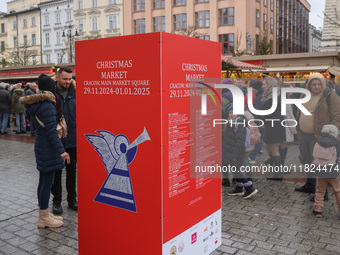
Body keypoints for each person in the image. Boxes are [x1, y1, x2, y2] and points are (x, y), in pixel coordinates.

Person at [20, 74, 70, 228]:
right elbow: (51, 132)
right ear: (51, 88)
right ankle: (43, 218)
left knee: (43, 181)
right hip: (48, 148)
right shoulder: (47, 105)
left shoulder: (37, 103)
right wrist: (62, 151)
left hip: (42, 146)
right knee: (46, 183)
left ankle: (45, 212)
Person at [295, 73, 340, 199]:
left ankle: (322, 193)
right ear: (309, 85)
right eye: (314, 84)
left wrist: (330, 136)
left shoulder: (331, 96)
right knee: (307, 161)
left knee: (321, 164)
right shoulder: (305, 95)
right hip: (304, 134)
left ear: (323, 84)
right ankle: (310, 185)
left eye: (319, 84)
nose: (316, 87)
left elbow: (337, 117)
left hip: (320, 137)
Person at [52, 66, 78, 214]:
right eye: (65, 79)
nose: (68, 82)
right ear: (57, 78)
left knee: (71, 170)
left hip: (73, 139)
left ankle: (72, 199)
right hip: (58, 139)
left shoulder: (75, 93)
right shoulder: (51, 94)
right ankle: (56, 201)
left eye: (70, 79)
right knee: (57, 171)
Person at [223, 105, 258, 199]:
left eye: (233, 112)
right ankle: (238, 187)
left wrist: (235, 154)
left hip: (236, 152)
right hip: (230, 151)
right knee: (235, 169)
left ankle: (249, 187)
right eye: (230, 113)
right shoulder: (232, 123)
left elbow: (240, 141)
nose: (231, 114)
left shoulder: (239, 124)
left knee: (236, 170)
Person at [311, 124, 340, 218]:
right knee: (337, 191)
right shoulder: (336, 144)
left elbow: (314, 157)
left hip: (320, 171)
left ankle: (318, 210)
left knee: (319, 191)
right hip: (333, 172)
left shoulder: (317, 142)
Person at [261, 77, 286, 180]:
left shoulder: (273, 96)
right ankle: (275, 165)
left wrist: (263, 120)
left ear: (270, 85)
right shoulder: (275, 95)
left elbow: (268, 112)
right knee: (268, 145)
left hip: (273, 125)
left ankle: (277, 172)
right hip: (275, 124)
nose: (262, 86)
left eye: (264, 84)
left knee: (274, 148)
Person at [247, 79, 264, 164]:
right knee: (260, 137)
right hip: (262, 120)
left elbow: (256, 109)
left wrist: (255, 120)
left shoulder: (258, 96)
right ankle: (260, 149)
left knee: (256, 137)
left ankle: (252, 156)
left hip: (257, 120)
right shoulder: (260, 95)